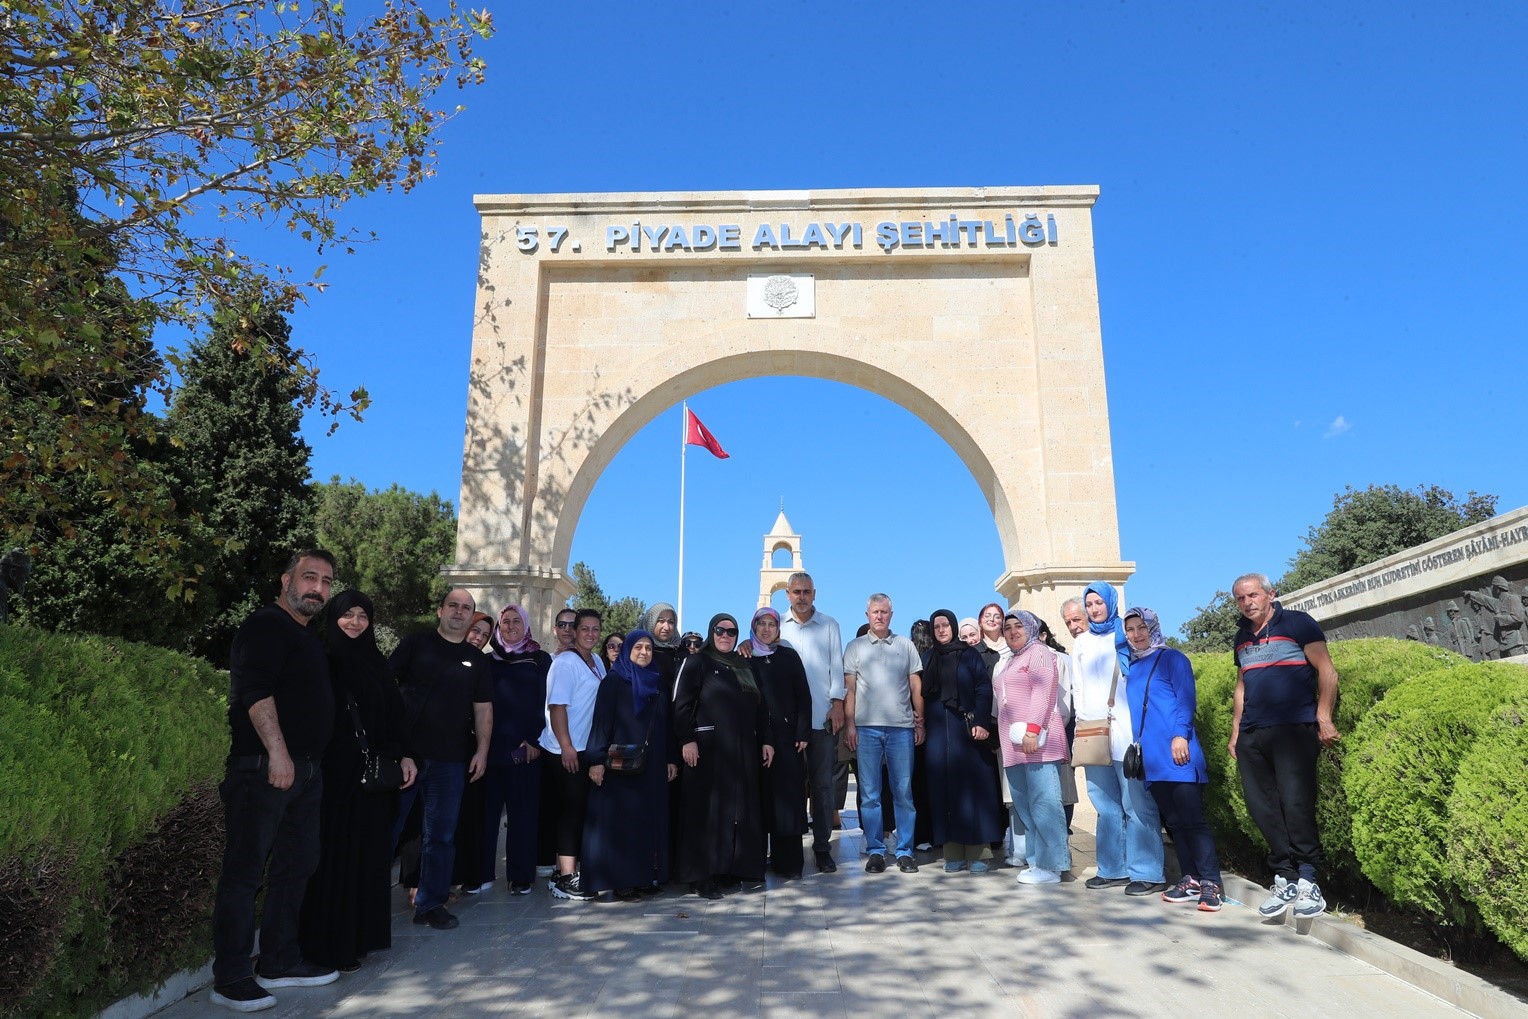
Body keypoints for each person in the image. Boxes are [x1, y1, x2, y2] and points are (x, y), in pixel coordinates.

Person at [211, 550, 341, 1012]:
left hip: (306, 772)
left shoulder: (307, 635)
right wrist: (279, 754)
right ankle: (230, 977)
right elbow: (255, 692)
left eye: (326, 582)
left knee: (296, 866)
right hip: (264, 769)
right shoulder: (265, 625)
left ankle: (279, 961)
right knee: (245, 873)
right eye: (310, 578)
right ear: (286, 580)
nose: (318, 589)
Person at [299, 589, 416, 974]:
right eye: (347, 614)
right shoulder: (321, 657)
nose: (355, 622)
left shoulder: (376, 662)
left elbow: (396, 716)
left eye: (362, 615)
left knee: (368, 858)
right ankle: (331, 945)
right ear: (333, 617)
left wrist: (406, 754)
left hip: (372, 779)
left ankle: (361, 938)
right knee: (335, 860)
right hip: (333, 778)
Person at [1230, 573, 1340, 920]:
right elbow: (1242, 687)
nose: (1247, 602)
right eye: (1240, 598)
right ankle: (1285, 878)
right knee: (1262, 808)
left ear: (1270, 594)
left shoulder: (1298, 623)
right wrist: (1236, 733)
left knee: (1296, 803)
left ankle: (1308, 879)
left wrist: (1323, 717)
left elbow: (1327, 671)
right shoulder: (1241, 637)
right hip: (1252, 734)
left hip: (1294, 729)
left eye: (1253, 595)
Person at [389, 588, 493, 931]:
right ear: (440, 611)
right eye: (454, 605)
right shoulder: (415, 644)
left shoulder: (476, 660)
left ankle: (431, 903)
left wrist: (481, 751)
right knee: (387, 831)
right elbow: (386, 692)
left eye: (467, 608)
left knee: (441, 835)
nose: (460, 612)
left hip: (450, 761)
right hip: (406, 757)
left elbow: (483, 710)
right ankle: (367, 904)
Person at [1123, 607, 1223, 912]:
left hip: (1178, 751)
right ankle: (1190, 879)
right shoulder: (1135, 666)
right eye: (1130, 630)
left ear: (1153, 627)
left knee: (1193, 820)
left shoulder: (1172, 658)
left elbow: (1185, 698)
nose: (1137, 634)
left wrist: (1181, 734)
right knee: (1176, 824)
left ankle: (1211, 884)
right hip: (1152, 757)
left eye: (1142, 627)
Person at [1073, 581, 1166, 895]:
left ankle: (1148, 871)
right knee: (1105, 804)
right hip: (1094, 732)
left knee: (1136, 803)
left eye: (1099, 602)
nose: (1094, 609)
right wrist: (1081, 726)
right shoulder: (1082, 642)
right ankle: (1112, 868)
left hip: (1126, 731)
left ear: (1110, 602)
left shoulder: (1125, 636)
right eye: (1090, 604)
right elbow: (1078, 688)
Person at [673, 612, 775, 898]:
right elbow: (681, 705)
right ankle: (701, 876)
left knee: (736, 813)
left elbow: (761, 708)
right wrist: (687, 740)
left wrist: (766, 741)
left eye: (732, 632)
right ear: (711, 631)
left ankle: (728, 868)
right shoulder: (697, 662)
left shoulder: (744, 666)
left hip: (742, 750)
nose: (725, 636)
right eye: (720, 630)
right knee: (705, 813)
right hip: (707, 749)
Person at [581, 630, 677, 900]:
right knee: (622, 823)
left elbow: (666, 725)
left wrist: (671, 758)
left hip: (653, 764)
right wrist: (596, 760)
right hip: (620, 765)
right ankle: (622, 881)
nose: (644, 652)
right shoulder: (614, 682)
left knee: (647, 822)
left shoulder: (658, 682)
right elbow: (601, 722)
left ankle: (644, 877)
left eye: (648, 648)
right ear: (628, 651)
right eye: (638, 648)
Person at [843, 593, 924, 875]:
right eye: (875, 611)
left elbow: (916, 688)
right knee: (870, 794)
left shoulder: (905, 646)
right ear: (867, 614)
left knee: (903, 792)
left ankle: (904, 851)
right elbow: (849, 690)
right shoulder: (854, 647)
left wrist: (920, 721)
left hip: (901, 728)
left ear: (892, 614)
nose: (880, 616)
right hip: (866, 729)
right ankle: (876, 850)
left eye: (885, 612)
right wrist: (850, 724)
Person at [921, 609, 1004, 872]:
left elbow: (983, 687)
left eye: (946, 625)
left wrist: (981, 721)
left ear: (953, 627)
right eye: (937, 627)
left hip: (968, 733)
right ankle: (952, 852)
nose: (942, 630)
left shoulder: (970, 655)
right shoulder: (928, 657)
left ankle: (979, 852)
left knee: (974, 790)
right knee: (943, 791)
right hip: (937, 736)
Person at [778, 572, 847, 874]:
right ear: (788, 595)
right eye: (796, 592)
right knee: (788, 788)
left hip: (821, 720)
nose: (802, 597)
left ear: (815, 594)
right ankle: (786, 850)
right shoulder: (774, 625)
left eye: (807, 591)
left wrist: (837, 704)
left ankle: (822, 848)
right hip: (786, 724)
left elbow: (837, 666)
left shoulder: (829, 625)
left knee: (822, 788)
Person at [996, 608, 1071, 884]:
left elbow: (1043, 692)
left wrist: (1032, 730)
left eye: (1018, 626)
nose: (1012, 631)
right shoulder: (1013, 659)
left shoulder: (1039, 652)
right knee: (1026, 807)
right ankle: (1037, 861)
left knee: (1045, 804)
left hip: (1036, 742)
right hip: (1014, 746)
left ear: (1031, 627)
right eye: (1007, 627)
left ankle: (1053, 865)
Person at [482, 605, 551, 894]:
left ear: (526, 625)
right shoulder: (488, 661)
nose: (511, 626)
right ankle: (480, 873)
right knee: (485, 815)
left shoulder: (539, 658)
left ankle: (520, 875)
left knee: (522, 816)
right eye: (506, 622)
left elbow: (547, 702)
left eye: (516, 621)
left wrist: (535, 740)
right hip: (490, 748)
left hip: (525, 749)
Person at [538, 607, 605, 901]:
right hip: (565, 749)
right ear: (574, 632)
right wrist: (566, 747)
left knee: (578, 811)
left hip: (585, 748)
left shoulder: (597, 661)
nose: (590, 634)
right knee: (570, 812)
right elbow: (557, 707)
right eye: (585, 629)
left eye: (595, 629)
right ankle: (565, 877)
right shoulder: (565, 662)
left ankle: (568, 869)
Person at [746, 608, 812, 878]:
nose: (766, 629)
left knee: (788, 802)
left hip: (788, 741)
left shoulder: (788, 656)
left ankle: (788, 863)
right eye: (760, 624)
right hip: (757, 740)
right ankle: (755, 862)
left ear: (778, 629)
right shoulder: (746, 658)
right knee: (760, 801)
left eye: (771, 624)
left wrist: (803, 732)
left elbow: (803, 696)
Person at [640, 602, 683, 694]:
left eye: (671, 622)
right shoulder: (638, 652)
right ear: (650, 622)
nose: (666, 627)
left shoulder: (681, 653)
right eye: (660, 621)